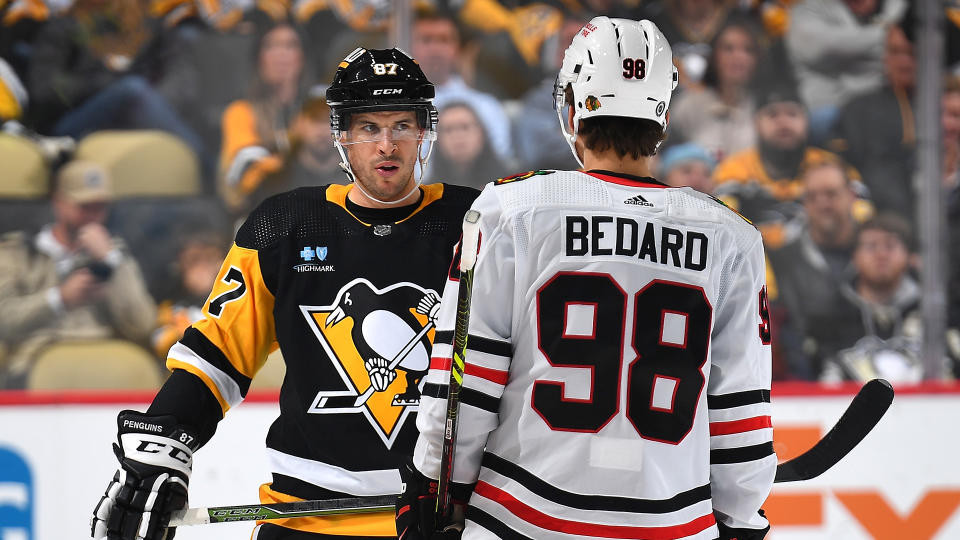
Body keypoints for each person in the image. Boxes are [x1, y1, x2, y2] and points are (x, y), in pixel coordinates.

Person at [397, 16, 774, 540]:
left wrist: (438, 494)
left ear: (573, 107)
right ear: (662, 116)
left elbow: (466, 384)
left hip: (523, 519)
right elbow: (740, 410)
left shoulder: (511, 209)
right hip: (674, 522)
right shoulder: (731, 236)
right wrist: (741, 516)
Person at [90, 47, 479, 539]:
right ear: (342, 135)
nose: (387, 145)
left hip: (438, 519)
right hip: (305, 514)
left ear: (424, 131)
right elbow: (217, 356)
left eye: (402, 125)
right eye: (369, 128)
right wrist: (165, 443)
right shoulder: (284, 226)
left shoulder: (478, 222)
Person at [0, 160, 157, 388]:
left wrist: (110, 261)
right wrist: (59, 299)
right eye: (84, 206)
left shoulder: (114, 254)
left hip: (104, 360)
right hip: (33, 364)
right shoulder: (18, 253)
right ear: (59, 203)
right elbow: (4, 319)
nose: (93, 215)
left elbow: (142, 324)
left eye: (100, 207)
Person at [816, 214, 960, 382]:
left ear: (908, 256)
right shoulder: (831, 317)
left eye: (890, 246)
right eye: (871, 246)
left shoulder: (936, 314)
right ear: (854, 257)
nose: (881, 255)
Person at [767, 157, 866, 380]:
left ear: (852, 196)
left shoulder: (879, 250)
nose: (823, 204)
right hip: (807, 381)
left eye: (831, 194)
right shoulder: (781, 261)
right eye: (812, 197)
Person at [218, 17, 310, 215]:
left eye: (290, 46)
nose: (281, 55)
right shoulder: (241, 112)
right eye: (271, 46)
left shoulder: (317, 110)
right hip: (261, 216)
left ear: (302, 57)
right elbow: (245, 178)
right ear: (258, 58)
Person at [427, 101, 509, 190]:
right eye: (448, 130)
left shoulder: (509, 185)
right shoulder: (428, 194)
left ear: (481, 133)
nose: (457, 136)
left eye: (465, 127)